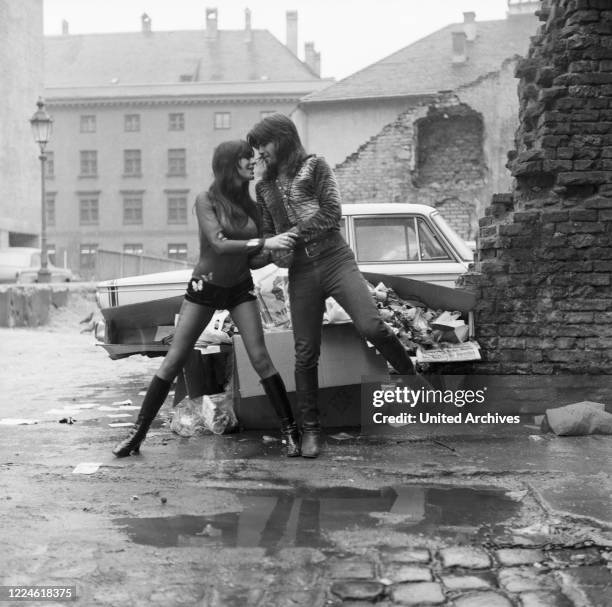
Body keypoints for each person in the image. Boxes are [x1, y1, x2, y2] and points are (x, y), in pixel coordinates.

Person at [112, 140, 299, 458]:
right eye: (246, 160)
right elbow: (219, 243)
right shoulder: (206, 200)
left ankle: (291, 432)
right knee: (175, 358)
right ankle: (137, 434)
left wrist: (274, 256)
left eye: (253, 160)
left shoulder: (250, 205)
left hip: (240, 287)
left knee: (260, 358)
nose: (253, 164)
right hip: (205, 287)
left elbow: (250, 258)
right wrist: (267, 241)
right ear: (230, 164)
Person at [246, 114, 416, 459]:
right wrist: (271, 244)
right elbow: (268, 232)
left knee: (373, 326)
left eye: (264, 144)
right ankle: (311, 431)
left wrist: (289, 238)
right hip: (302, 273)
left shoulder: (314, 166)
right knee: (306, 352)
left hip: (336, 259)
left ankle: (413, 379)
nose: (260, 152)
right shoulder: (264, 187)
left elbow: (331, 213)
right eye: (256, 148)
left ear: (282, 138)